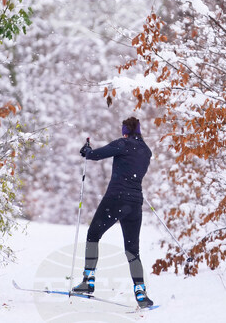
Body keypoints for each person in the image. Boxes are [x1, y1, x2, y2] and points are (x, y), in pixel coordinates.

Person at [72, 116, 154, 308]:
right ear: (139, 131)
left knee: (93, 234)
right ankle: (141, 292)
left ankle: (88, 281)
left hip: (116, 198)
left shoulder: (122, 143)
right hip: (135, 203)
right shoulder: (146, 151)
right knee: (132, 249)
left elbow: (95, 155)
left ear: (125, 131)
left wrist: (87, 151)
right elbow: (133, 169)